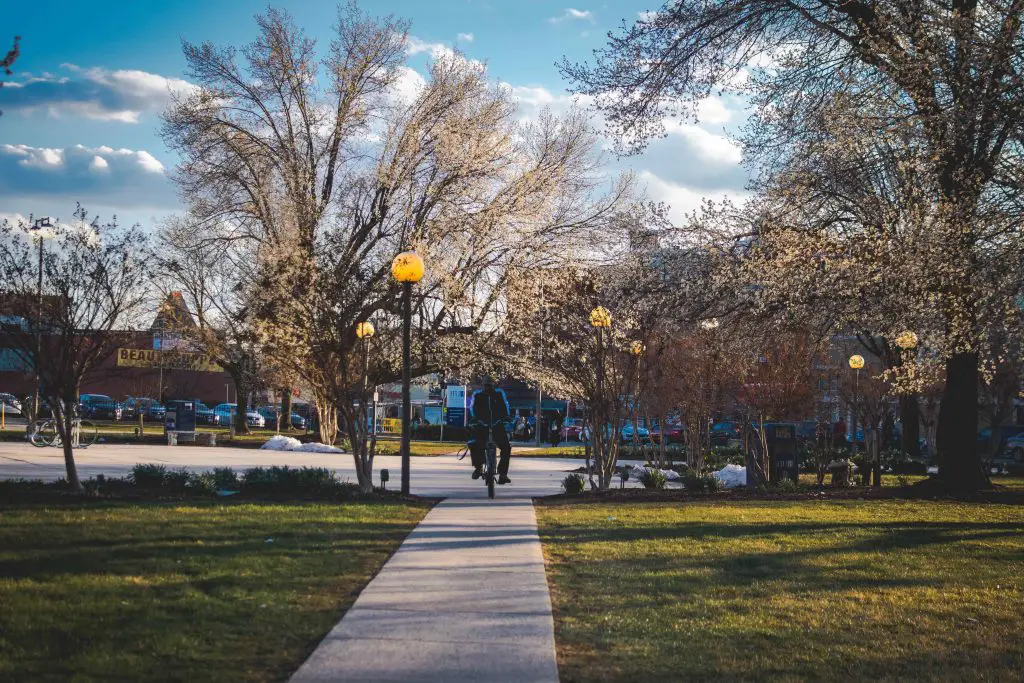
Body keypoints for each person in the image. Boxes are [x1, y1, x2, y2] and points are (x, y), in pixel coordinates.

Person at [468, 378, 513, 484]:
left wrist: (506, 417)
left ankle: (503, 474)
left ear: (493, 386)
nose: (487, 387)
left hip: (497, 425)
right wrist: (475, 419)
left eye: (489, 385)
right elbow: (473, 409)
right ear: (482, 386)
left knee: (506, 448)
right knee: (474, 444)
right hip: (482, 425)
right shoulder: (478, 396)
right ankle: (478, 468)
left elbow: (504, 407)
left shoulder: (499, 395)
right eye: (485, 385)